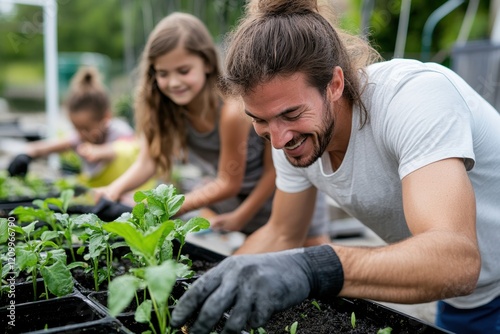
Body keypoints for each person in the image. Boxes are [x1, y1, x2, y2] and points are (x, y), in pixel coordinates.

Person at [169, 1, 500, 333]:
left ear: (334, 84)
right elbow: (283, 232)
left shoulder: (412, 99)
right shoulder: (291, 137)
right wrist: (216, 284)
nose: (279, 140)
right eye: (260, 120)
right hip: (464, 303)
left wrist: (316, 268)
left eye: (291, 114)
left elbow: (456, 259)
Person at [95, 12, 330, 244]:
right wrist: (114, 190)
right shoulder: (168, 112)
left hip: (287, 197)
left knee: (316, 264)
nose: (174, 82)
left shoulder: (232, 111)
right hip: (237, 207)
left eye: (184, 71)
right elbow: (148, 161)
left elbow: (250, 177)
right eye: (163, 74)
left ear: (206, 63)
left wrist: (166, 207)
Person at [6, 67, 153, 192]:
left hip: (136, 197)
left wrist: (98, 151)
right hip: (102, 197)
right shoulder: (80, 138)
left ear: (106, 118)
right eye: (77, 128)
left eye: (86, 128)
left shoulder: (118, 130)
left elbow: (125, 149)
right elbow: (45, 147)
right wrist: (26, 154)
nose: (81, 133)